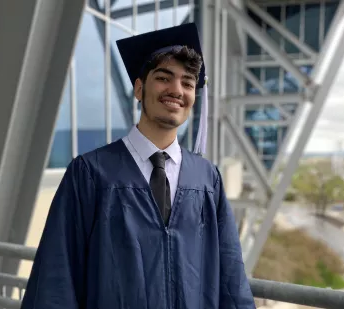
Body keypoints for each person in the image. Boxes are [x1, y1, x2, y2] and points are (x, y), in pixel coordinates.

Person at [20, 23, 255, 309]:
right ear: (139, 88)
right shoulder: (91, 174)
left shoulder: (207, 179)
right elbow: (57, 274)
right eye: (163, 78)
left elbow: (231, 275)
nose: (176, 90)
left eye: (188, 83)